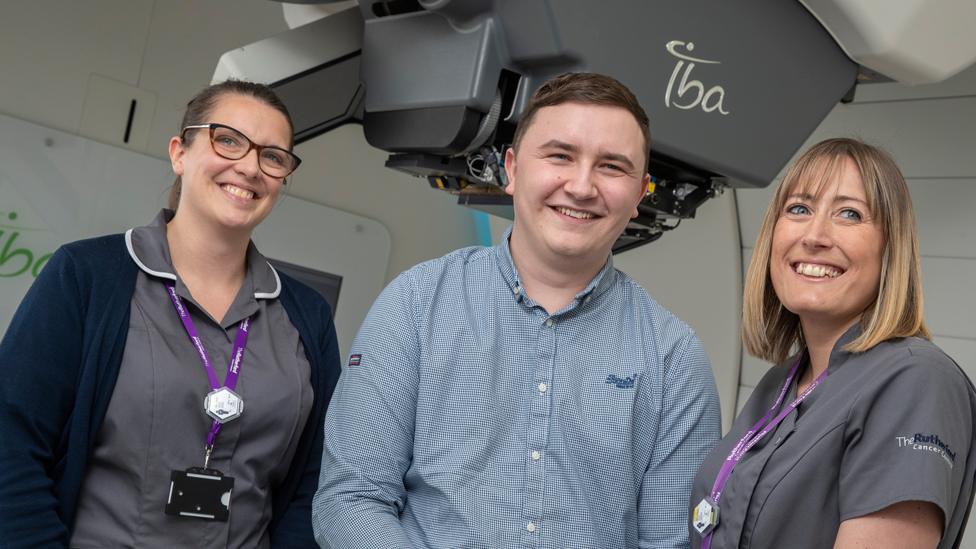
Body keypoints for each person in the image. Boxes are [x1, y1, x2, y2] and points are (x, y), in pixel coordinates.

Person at [313, 72, 721, 548]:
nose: (582, 185)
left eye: (612, 167)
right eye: (560, 156)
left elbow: (670, 543)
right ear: (511, 168)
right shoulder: (417, 303)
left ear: (639, 195)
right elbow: (352, 499)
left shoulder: (673, 358)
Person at [0, 80, 341, 548]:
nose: (249, 167)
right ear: (180, 152)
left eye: (273, 157)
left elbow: (313, 483)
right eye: (228, 140)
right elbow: (11, 444)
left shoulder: (308, 317)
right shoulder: (87, 276)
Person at [689, 138, 976, 549]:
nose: (815, 235)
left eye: (849, 214)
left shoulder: (914, 381)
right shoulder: (780, 385)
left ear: (889, 249)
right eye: (799, 209)